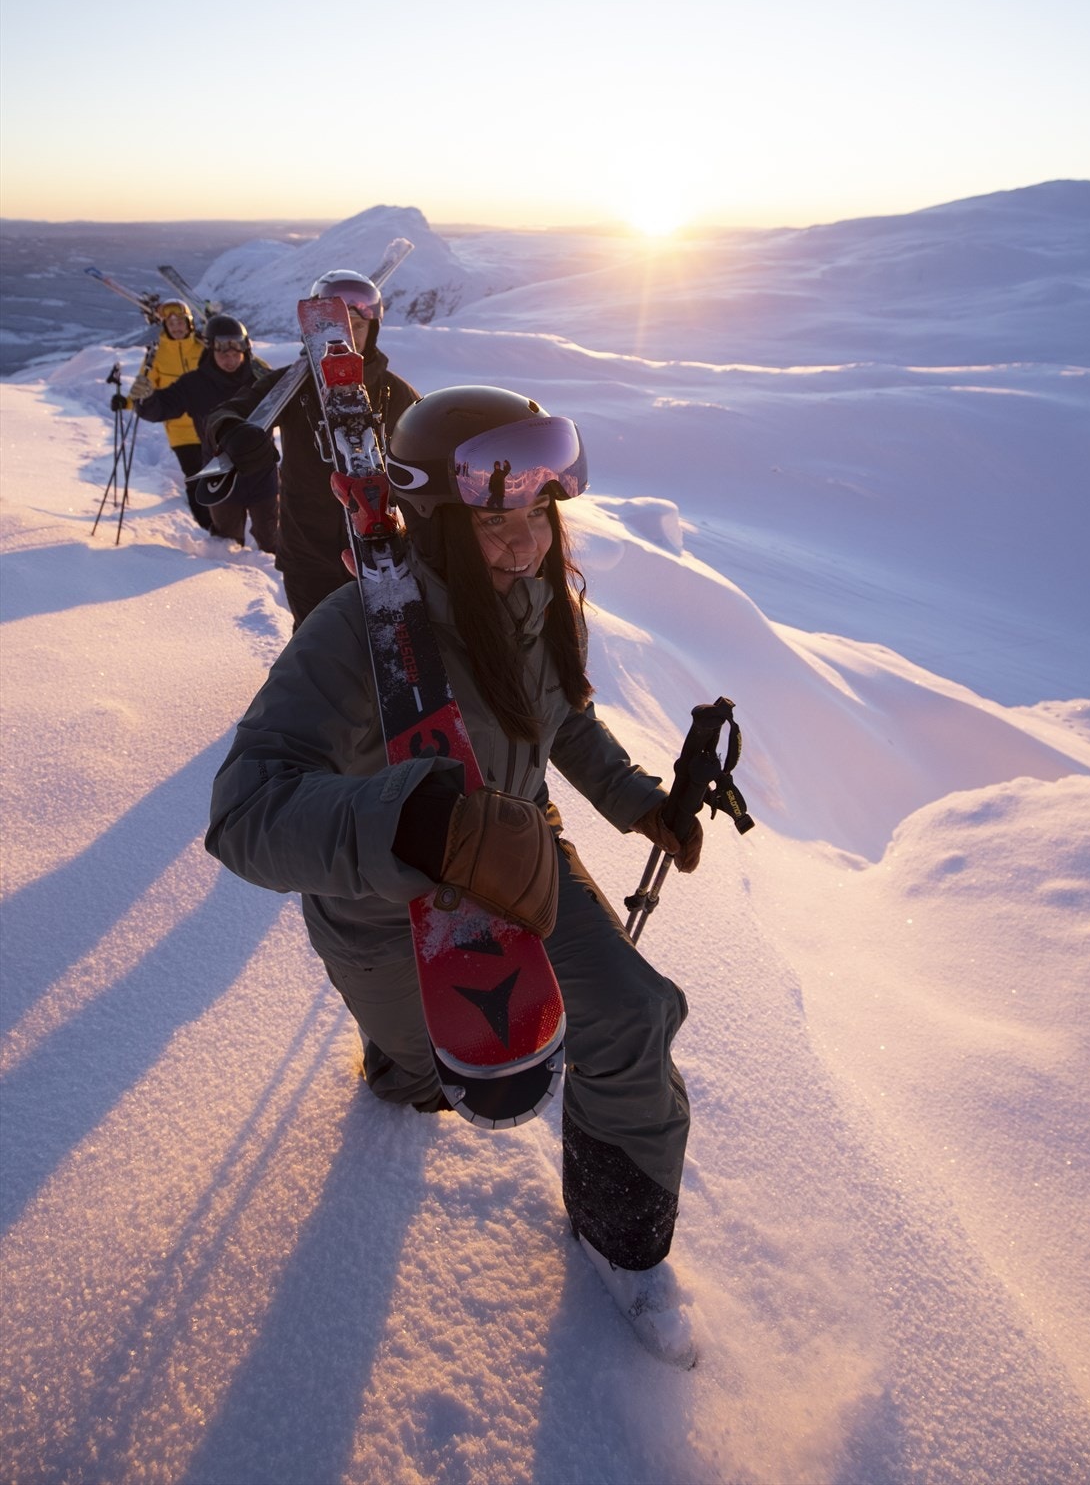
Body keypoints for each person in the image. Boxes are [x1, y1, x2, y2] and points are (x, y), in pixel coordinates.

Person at [205, 385, 704, 1366]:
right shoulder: (359, 631)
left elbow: (556, 721)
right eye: (492, 521)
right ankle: (396, 1069)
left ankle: (621, 1242)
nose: (523, 542)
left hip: (521, 855)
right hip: (395, 908)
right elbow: (244, 812)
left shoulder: (538, 600)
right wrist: (420, 822)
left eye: (535, 515)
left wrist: (638, 799)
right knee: (426, 1081)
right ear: (435, 524)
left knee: (635, 1018)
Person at [206, 269, 419, 628]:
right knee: (315, 646)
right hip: (306, 552)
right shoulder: (290, 387)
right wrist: (232, 432)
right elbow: (226, 413)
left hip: (381, 551)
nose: (348, 338)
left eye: (358, 327)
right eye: (337, 328)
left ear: (374, 331)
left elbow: (426, 448)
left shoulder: (392, 393)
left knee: (377, 653)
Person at [135, 315, 278, 553]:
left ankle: (276, 580)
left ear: (245, 349)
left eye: (236, 353)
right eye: (223, 353)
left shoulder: (260, 380)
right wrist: (145, 399)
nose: (230, 359)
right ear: (211, 349)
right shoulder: (194, 384)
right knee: (226, 539)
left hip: (262, 472)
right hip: (219, 473)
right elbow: (162, 407)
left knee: (271, 536)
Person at [120, 299, 212, 530]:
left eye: (180, 322)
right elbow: (144, 385)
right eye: (171, 323)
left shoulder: (204, 348)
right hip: (180, 431)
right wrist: (126, 402)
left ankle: (222, 521)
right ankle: (206, 527)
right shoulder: (157, 355)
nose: (176, 327)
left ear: (189, 323)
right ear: (165, 327)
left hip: (210, 425)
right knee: (194, 478)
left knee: (215, 475)